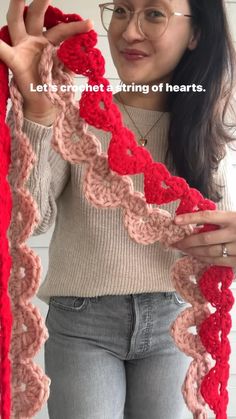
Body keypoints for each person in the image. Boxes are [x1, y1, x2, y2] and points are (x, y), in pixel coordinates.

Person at [1, 0, 236, 418]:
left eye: (154, 14)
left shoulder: (210, 133)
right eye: (122, 10)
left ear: (196, 33)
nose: (129, 32)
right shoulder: (76, 119)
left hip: (172, 323)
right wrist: (38, 111)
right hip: (82, 325)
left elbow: (221, 237)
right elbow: (30, 220)